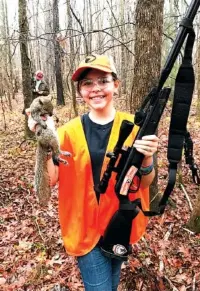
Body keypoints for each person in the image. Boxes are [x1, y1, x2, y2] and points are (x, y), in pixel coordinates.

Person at [28, 55, 159, 291]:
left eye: (103, 81)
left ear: (115, 85)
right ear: (80, 91)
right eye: (87, 83)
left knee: (112, 283)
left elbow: (146, 182)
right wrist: (45, 142)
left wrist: (148, 157)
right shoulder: (66, 133)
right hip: (85, 230)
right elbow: (49, 183)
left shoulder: (135, 128)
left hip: (119, 224)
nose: (95, 89)